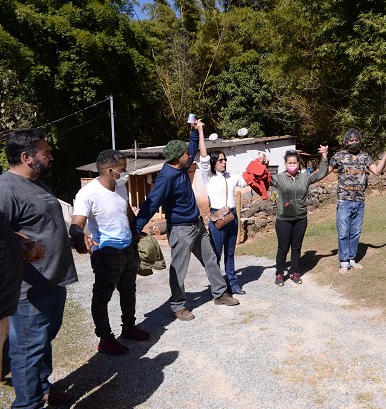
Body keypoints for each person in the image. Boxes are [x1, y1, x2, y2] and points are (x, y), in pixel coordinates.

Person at [0, 128, 77, 408]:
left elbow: (45, 225)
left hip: (54, 281)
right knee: (27, 351)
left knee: (42, 343)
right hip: (29, 290)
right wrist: (20, 244)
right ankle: (27, 404)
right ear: (27, 157)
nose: (51, 157)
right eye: (46, 153)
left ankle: (43, 389)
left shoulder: (39, 184)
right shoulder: (5, 188)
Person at [135, 119, 239, 322]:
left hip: (197, 225)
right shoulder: (166, 178)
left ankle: (220, 293)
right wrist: (137, 227)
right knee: (179, 268)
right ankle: (178, 305)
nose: (189, 155)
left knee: (210, 259)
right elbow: (151, 203)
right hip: (180, 230)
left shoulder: (181, 166)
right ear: (177, 158)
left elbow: (192, 147)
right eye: (185, 154)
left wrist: (194, 132)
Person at [69, 150, 150, 356]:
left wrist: (137, 231)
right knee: (102, 296)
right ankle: (105, 339)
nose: (125, 173)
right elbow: (76, 224)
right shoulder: (87, 193)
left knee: (128, 290)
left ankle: (129, 328)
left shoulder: (120, 186)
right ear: (109, 170)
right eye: (122, 170)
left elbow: (127, 212)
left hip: (127, 248)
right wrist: (79, 237)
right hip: (106, 253)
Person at [196, 122, 266, 295]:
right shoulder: (208, 177)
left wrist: (259, 163)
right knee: (216, 255)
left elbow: (248, 180)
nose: (224, 162)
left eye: (225, 159)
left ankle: (233, 284)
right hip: (217, 217)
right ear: (214, 163)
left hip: (232, 217)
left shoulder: (232, 177)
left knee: (230, 254)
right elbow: (203, 156)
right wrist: (200, 130)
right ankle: (219, 287)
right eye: (220, 160)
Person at [329, 129, 386, 274]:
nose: (354, 142)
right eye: (350, 140)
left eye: (356, 140)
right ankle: (344, 261)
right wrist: (322, 157)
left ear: (360, 140)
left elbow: (377, 171)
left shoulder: (365, 157)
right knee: (343, 232)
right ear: (346, 142)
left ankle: (352, 259)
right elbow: (325, 171)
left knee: (356, 232)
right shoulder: (339, 156)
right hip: (344, 201)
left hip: (359, 201)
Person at [272, 147, 329, 286]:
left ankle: (294, 272)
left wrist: (325, 156)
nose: (292, 165)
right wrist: (261, 164)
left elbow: (321, 173)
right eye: (289, 163)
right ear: (285, 165)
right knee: (283, 248)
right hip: (284, 219)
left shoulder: (305, 177)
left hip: (300, 219)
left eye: (295, 163)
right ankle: (279, 273)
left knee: (296, 248)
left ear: (299, 164)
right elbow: (262, 179)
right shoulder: (278, 178)